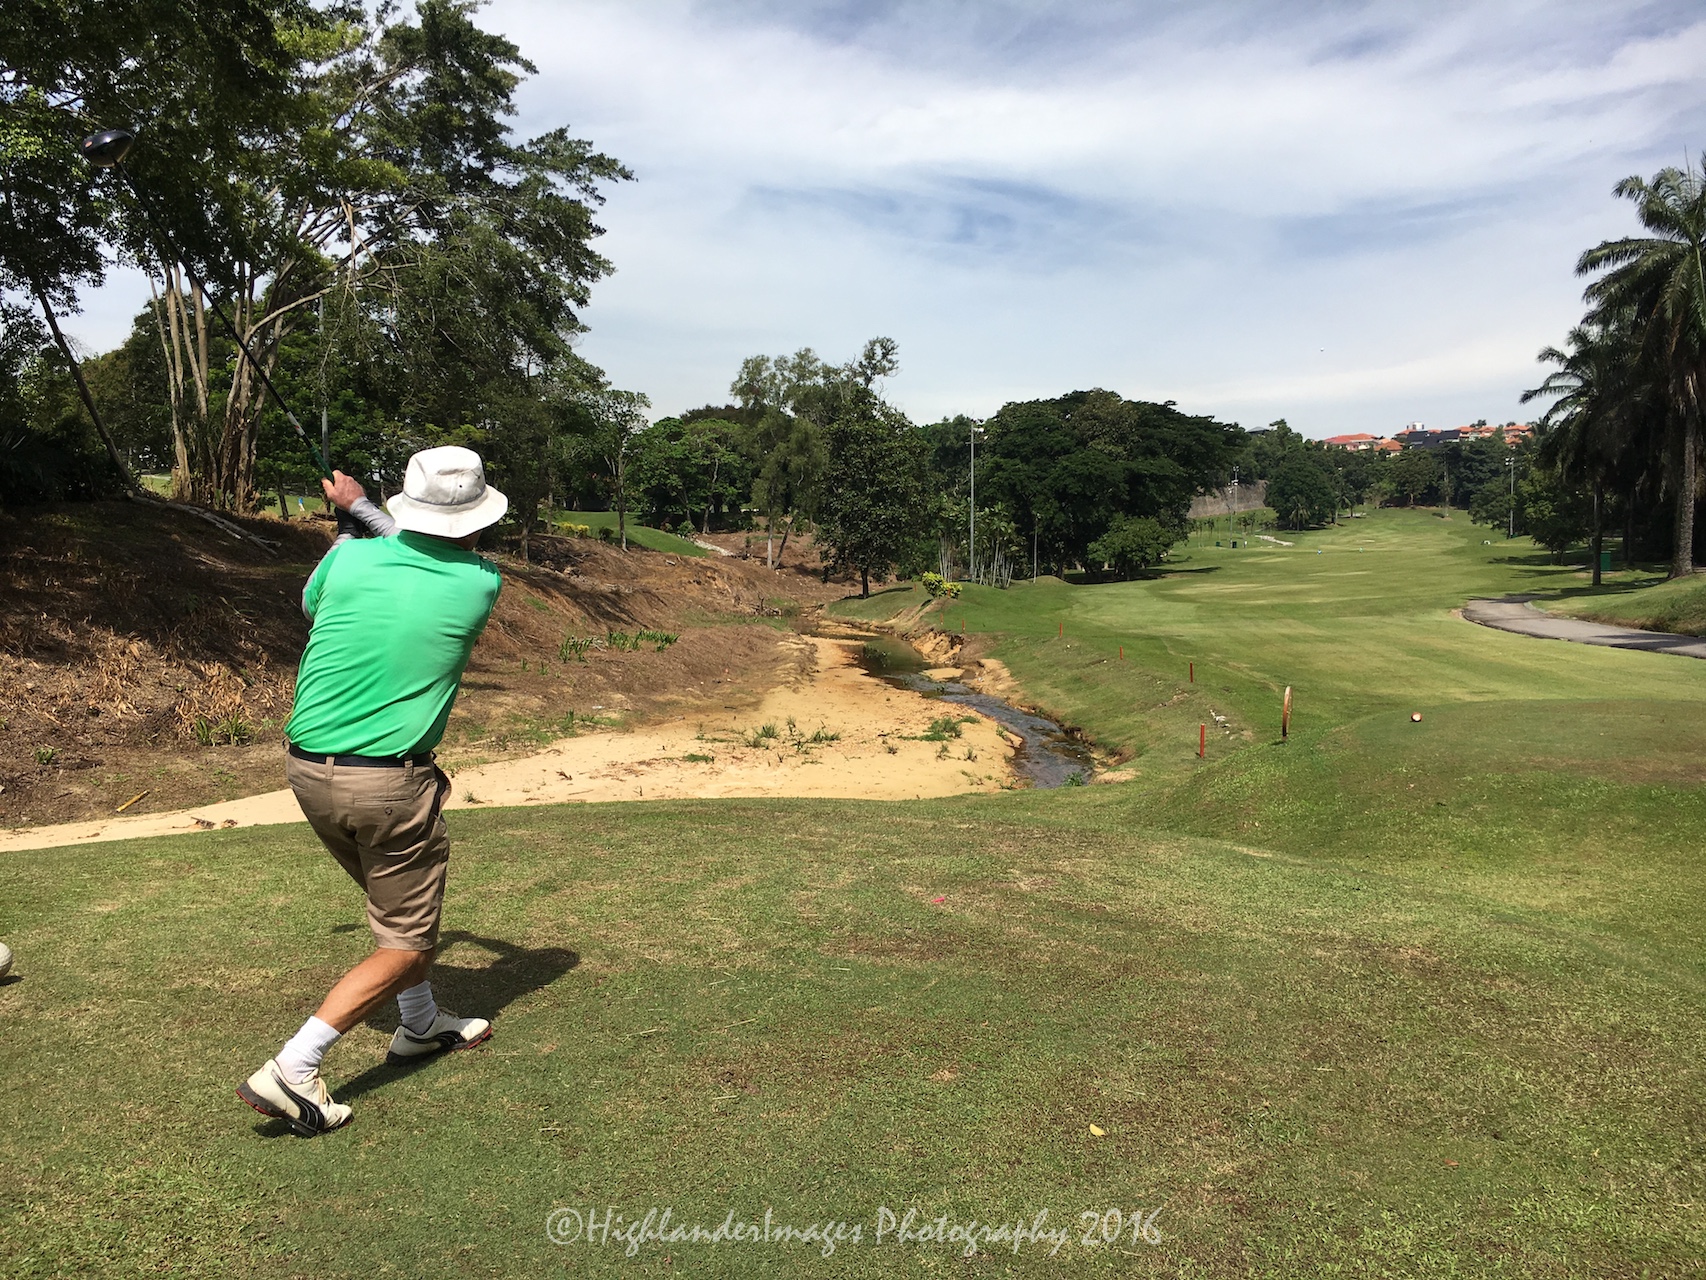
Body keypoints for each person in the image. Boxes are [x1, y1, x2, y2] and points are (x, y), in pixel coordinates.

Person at [238, 445, 507, 1137]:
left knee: (393, 910)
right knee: (408, 945)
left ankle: (418, 1024)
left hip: (307, 772)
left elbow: (315, 601)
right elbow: (420, 547)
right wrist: (358, 509)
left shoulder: (349, 559)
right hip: (387, 783)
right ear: (478, 517)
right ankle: (294, 1068)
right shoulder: (479, 582)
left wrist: (350, 517)